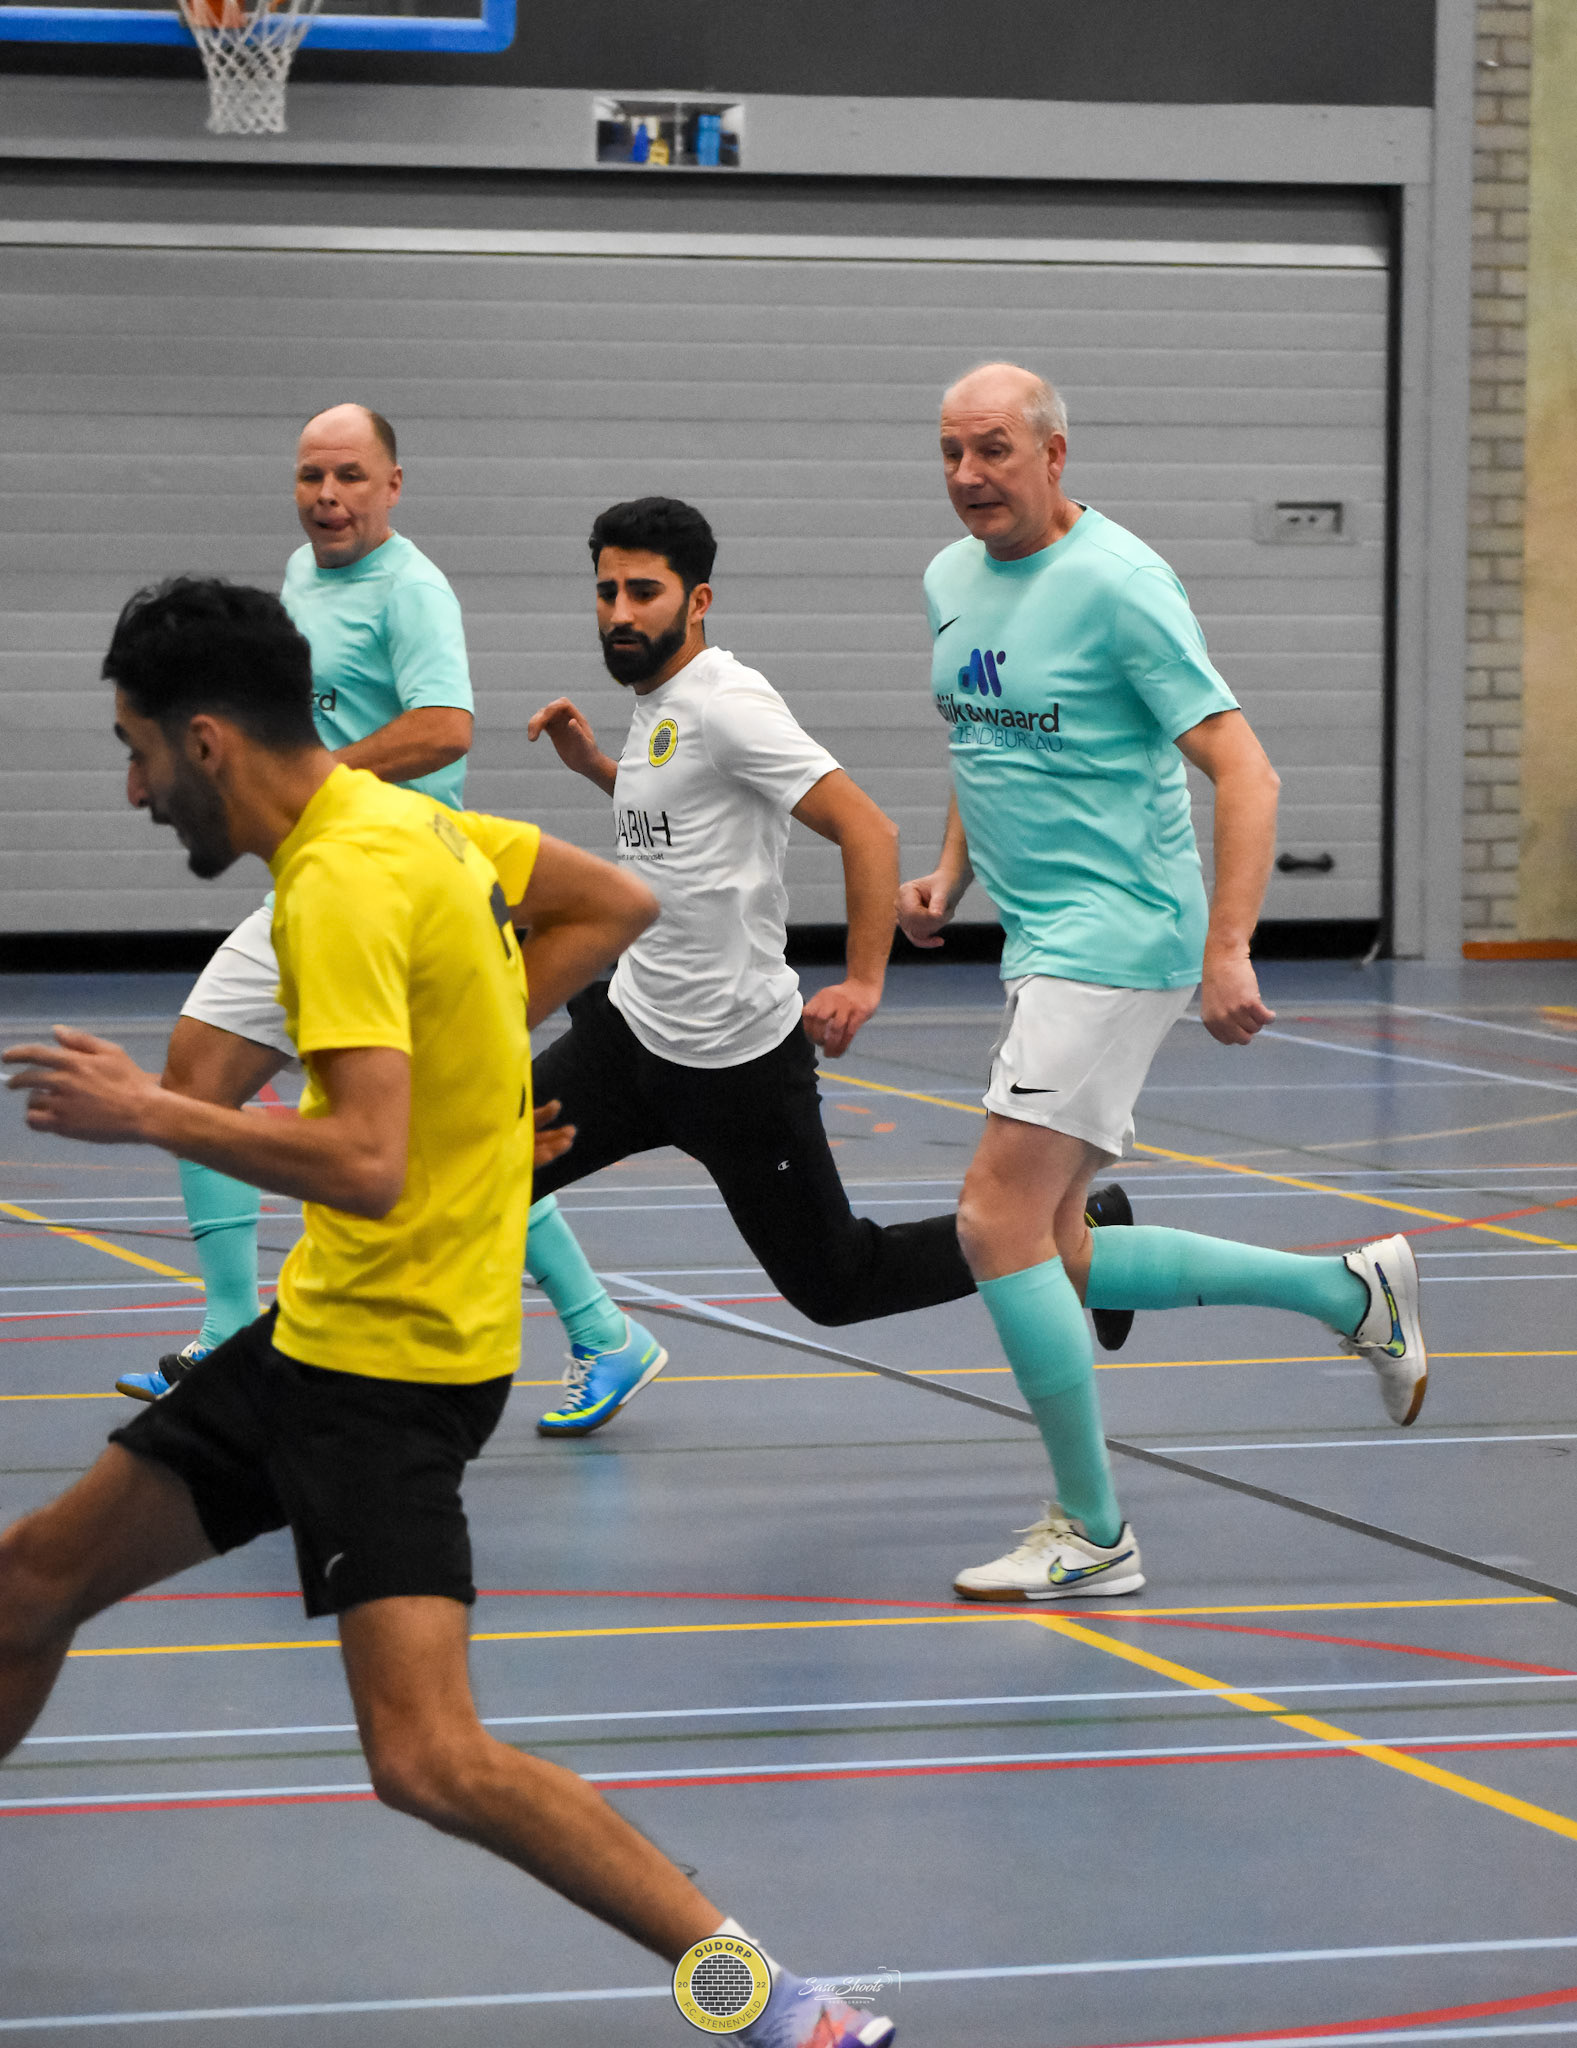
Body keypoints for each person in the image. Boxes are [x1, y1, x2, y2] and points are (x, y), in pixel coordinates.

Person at [0, 578, 894, 2048]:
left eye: (137, 751)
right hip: (323, 1335)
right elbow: (618, 902)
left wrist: (151, 1111)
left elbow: (363, 1160)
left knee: (428, 1757)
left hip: (390, 1370)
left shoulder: (339, 881)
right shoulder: (406, 823)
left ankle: (785, 2009)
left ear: (207, 740)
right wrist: (476, 1074)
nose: (134, 788)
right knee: (29, 1585)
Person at [897, 361, 1427, 1604]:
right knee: (1058, 1250)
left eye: (992, 449)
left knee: (991, 1220)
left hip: (1119, 930)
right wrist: (949, 873)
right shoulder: (947, 579)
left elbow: (1246, 772)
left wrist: (1226, 948)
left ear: (1052, 454)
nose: (967, 474)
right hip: (1038, 935)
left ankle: (1093, 1529)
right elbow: (982, 734)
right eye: (950, 452)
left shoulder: (1121, 584)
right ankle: (1345, 1290)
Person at [519, 495, 982, 1438]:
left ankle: (1057, 1234)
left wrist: (863, 980)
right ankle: (597, 1343)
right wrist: (599, 769)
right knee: (469, 1176)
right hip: (627, 1040)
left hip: (734, 1069)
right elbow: (686, 817)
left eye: (643, 592)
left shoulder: (727, 703)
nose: (618, 612)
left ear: (697, 602)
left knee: (840, 1285)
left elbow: (866, 827)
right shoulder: (659, 703)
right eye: (606, 591)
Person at [116, 402, 486, 1401]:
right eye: (311, 476)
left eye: (350, 476)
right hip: (312, 873)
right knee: (193, 1084)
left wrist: (318, 775)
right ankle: (229, 1331)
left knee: (420, 1138)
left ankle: (598, 1328)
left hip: (392, 884)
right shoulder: (297, 575)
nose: (328, 496)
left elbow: (446, 727)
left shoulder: (412, 591)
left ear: (392, 486)